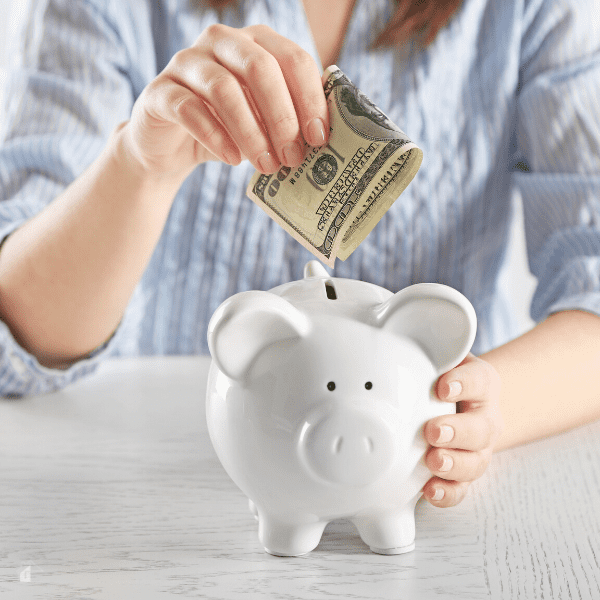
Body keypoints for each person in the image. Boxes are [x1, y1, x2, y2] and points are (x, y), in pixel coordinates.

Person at [0, 0, 599, 510]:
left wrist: (483, 412)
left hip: (419, 480)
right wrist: (140, 166)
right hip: (162, 484)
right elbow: (25, 335)